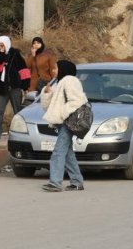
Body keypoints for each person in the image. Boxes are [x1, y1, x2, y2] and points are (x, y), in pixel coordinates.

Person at [40, 58, 87, 192]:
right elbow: (50, 107)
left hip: (68, 121)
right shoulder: (59, 82)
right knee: (67, 153)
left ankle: (55, 183)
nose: (53, 71)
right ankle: (77, 181)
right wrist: (47, 93)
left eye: (56, 68)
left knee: (58, 152)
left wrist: (63, 114)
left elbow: (77, 101)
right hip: (64, 122)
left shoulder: (70, 81)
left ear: (64, 70)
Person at [0, 35, 30, 141]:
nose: (1, 47)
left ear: (7, 44)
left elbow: (23, 71)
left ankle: (24, 133)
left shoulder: (15, 54)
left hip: (15, 88)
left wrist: (25, 86)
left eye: (2, 45)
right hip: (2, 88)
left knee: (18, 111)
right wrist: (0, 55)